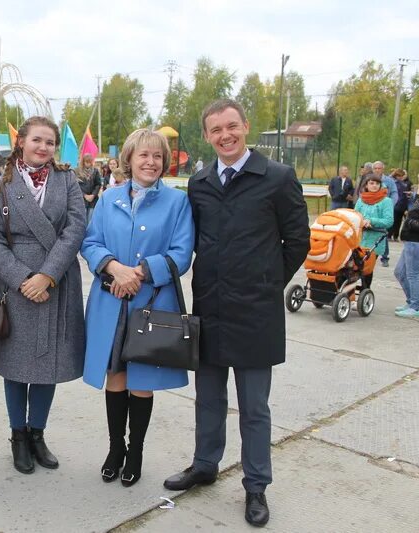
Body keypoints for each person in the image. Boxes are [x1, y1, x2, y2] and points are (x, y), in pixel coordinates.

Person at [163, 99, 309, 527]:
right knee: (208, 398)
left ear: (245, 126)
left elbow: (297, 240)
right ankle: (205, 465)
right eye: (215, 130)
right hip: (209, 308)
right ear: (207, 136)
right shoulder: (201, 182)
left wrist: (266, 282)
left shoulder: (277, 178)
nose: (225, 135)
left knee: (254, 407)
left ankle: (256, 486)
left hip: (256, 313)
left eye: (232, 126)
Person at [82, 128, 194, 488]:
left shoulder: (177, 202)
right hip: (110, 300)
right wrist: (113, 268)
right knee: (115, 377)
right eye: (143, 155)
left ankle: (136, 450)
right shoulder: (108, 198)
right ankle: (116, 448)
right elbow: (91, 242)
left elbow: (181, 253)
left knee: (141, 382)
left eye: (157, 156)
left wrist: (142, 273)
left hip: (151, 305)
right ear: (128, 159)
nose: (150, 162)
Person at [0, 116, 86, 475]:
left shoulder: (68, 180)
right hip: (17, 286)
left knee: (48, 365)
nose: (43, 147)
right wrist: (23, 277)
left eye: (50, 142)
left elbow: (75, 229)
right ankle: (18, 437)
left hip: (56, 283)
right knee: (17, 366)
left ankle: (38, 434)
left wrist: (47, 275)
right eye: (37, 140)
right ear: (21, 142)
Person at [394, 170, 419, 318]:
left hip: (418, 242)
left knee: (412, 274)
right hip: (412, 241)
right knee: (399, 272)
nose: (416, 184)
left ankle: (415, 307)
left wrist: (409, 220)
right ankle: (411, 301)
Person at [354, 174, 394, 284]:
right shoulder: (361, 200)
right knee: (354, 265)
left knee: (367, 267)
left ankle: (365, 290)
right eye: (371, 183)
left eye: (377, 183)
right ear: (366, 185)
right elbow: (355, 215)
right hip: (360, 239)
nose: (374, 186)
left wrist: (371, 221)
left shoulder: (386, 201)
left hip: (375, 239)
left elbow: (389, 221)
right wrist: (361, 221)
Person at [372, 161, 398, 266]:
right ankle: (370, 255)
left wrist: (390, 205)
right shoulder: (369, 179)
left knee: (383, 232)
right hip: (372, 209)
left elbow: (395, 193)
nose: (377, 170)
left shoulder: (389, 181)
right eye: (376, 168)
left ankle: (385, 257)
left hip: (384, 211)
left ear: (383, 169)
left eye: (379, 168)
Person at [77, 153, 103, 224]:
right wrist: (84, 195)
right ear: (83, 162)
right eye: (86, 162)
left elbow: (98, 184)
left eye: (90, 162)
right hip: (82, 200)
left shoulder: (95, 171)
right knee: (82, 220)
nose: (88, 164)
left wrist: (93, 195)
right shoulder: (78, 172)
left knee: (91, 220)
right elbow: (76, 186)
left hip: (93, 200)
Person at [390, 169, 413, 241]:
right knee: (394, 221)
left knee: (398, 222)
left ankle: (395, 236)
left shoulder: (403, 184)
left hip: (401, 205)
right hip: (397, 205)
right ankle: (390, 235)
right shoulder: (395, 183)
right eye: (399, 176)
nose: (401, 177)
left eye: (402, 176)